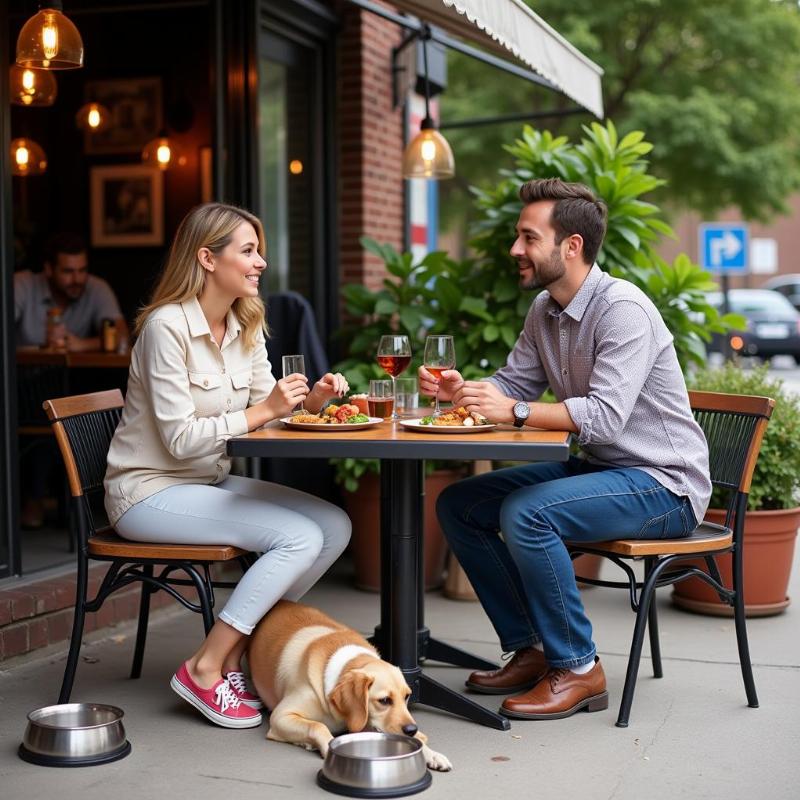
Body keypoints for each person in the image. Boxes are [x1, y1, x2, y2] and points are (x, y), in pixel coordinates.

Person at [421, 178, 711, 721]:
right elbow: (514, 388)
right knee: (460, 504)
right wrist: (461, 391)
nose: (515, 249)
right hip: (604, 471)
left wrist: (516, 411)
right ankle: (532, 649)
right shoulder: (544, 309)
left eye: (527, 237)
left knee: (527, 513)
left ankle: (579, 667)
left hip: (665, 485)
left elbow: (601, 418)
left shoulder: (623, 309)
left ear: (570, 246)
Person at [104, 203, 352, 728]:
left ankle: (236, 651)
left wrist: (313, 402)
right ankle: (206, 665)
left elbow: (268, 408)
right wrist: (265, 410)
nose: (260, 262)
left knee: (333, 526)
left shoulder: (245, 322)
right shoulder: (165, 328)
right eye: (248, 250)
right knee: (297, 538)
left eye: (259, 250)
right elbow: (178, 441)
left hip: (206, 484)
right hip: (147, 492)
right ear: (207, 258)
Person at [14, 232, 129, 352]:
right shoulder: (23, 284)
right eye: (68, 271)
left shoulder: (96, 287)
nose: (77, 279)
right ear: (49, 269)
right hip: (20, 369)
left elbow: (122, 337)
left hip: (75, 370)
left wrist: (82, 344)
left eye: (82, 270)